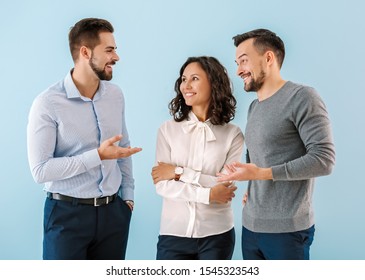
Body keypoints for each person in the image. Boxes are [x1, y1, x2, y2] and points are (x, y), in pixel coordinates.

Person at [27, 18, 142, 260]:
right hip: (66, 216)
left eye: (115, 49)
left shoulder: (115, 95)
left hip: (113, 215)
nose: (116, 57)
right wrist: (97, 156)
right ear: (85, 52)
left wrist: (127, 198)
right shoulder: (47, 103)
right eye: (109, 50)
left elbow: (123, 148)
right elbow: (40, 170)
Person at [217, 29, 336, 260]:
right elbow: (258, 158)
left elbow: (324, 159)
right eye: (237, 63)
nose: (238, 70)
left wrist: (262, 174)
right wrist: (253, 187)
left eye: (244, 61)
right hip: (250, 227)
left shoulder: (303, 97)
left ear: (268, 58)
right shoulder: (255, 107)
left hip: (287, 232)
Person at [151, 56, 244, 260]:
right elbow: (163, 186)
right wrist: (209, 195)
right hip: (173, 233)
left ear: (214, 83)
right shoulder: (167, 130)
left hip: (218, 235)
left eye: (194, 78)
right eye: (184, 79)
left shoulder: (233, 134)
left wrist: (178, 172)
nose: (186, 85)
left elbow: (225, 185)